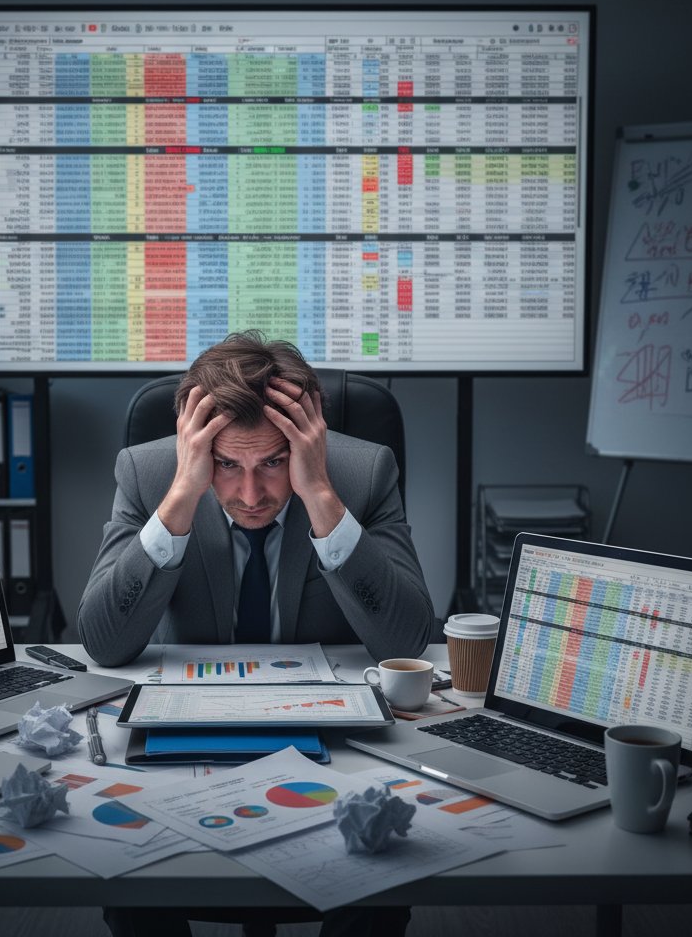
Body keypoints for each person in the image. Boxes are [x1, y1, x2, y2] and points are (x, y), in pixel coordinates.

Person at [77, 330, 433, 937]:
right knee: (126, 871)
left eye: (272, 462)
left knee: (381, 873)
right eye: (227, 465)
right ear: (198, 448)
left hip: (336, 751)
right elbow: (105, 641)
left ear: (306, 437)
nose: (251, 494)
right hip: (183, 748)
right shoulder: (149, 473)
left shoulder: (362, 472)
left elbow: (404, 642)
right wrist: (185, 493)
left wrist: (318, 492)